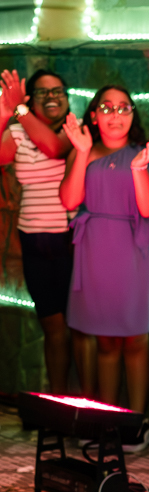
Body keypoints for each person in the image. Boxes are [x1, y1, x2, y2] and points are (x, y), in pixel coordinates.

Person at [59, 86, 149, 419]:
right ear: (94, 115)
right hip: (94, 251)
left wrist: (139, 170)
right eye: (107, 108)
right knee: (106, 341)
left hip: (134, 253)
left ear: (133, 115)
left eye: (124, 108)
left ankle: (134, 425)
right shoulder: (84, 151)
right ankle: (106, 423)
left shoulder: (147, 153)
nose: (115, 115)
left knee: (136, 340)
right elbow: (69, 201)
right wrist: (81, 153)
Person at [0, 68, 75, 394]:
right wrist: (5, 114)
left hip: (69, 239)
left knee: (75, 325)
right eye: (43, 92)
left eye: (57, 90)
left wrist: (20, 110)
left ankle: (81, 405)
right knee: (52, 325)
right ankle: (56, 406)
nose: (52, 96)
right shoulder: (18, 132)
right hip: (32, 241)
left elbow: (54, 149)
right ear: (31, 98)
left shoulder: (76, 129)